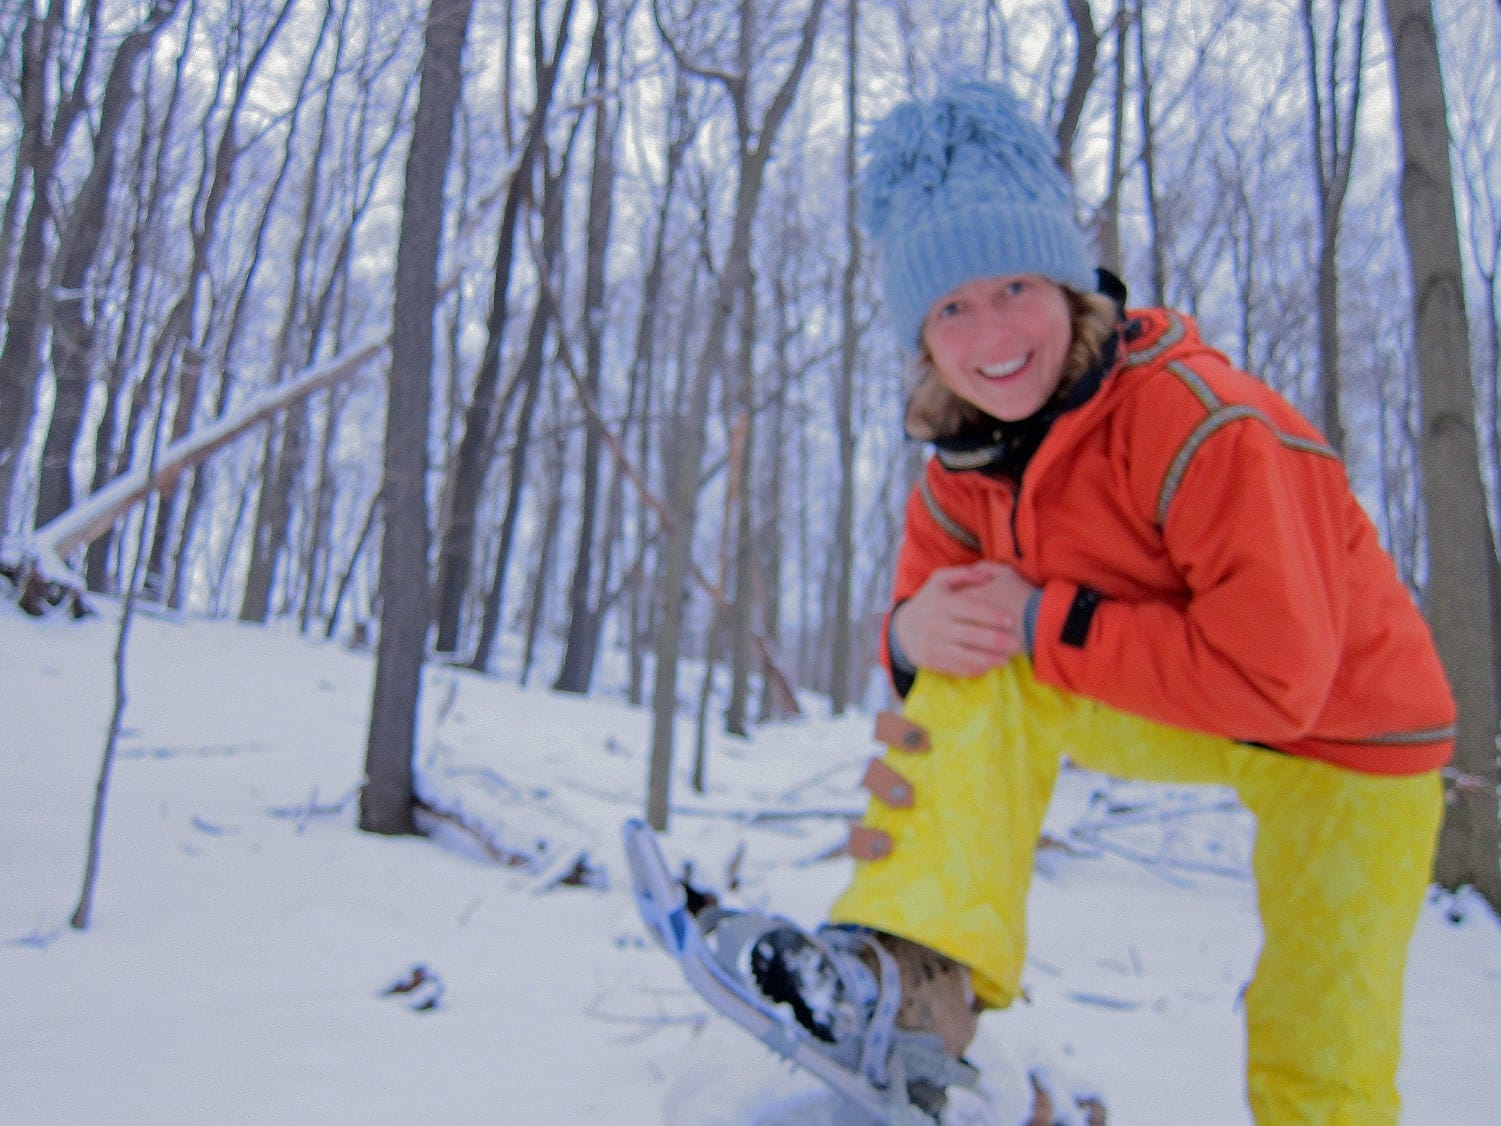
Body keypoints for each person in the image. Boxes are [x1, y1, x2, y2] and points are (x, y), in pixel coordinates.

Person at [697, 79, 1455, 1125]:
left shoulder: (1206, 428)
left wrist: (1034, 620)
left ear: (1069, 286)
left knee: (1316, 1045)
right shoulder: (962, 460)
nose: (990, 332)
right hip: (1187, 696)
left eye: (1013, 286)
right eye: (951, 306)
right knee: (970, 665)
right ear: (922, 336)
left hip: (1352, 733)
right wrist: (906, 632)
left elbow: (1278, 684)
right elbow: (938, 668)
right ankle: (908, 978)